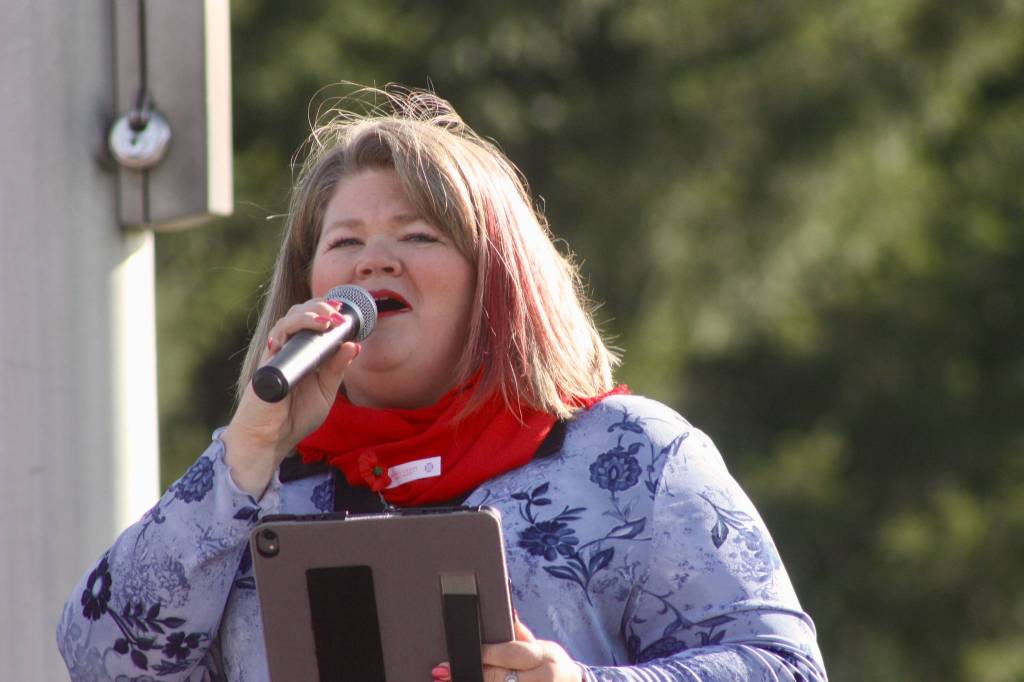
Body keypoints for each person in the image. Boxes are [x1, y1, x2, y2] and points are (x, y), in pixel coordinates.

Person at [57, 86, 826, 681]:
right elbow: (100, 661)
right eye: (344, 241)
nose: (372, 262)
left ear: (499, 284)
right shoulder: (253, 483)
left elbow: (786, 668)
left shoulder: (633, 457)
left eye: (418, 236)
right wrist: (247, 452)